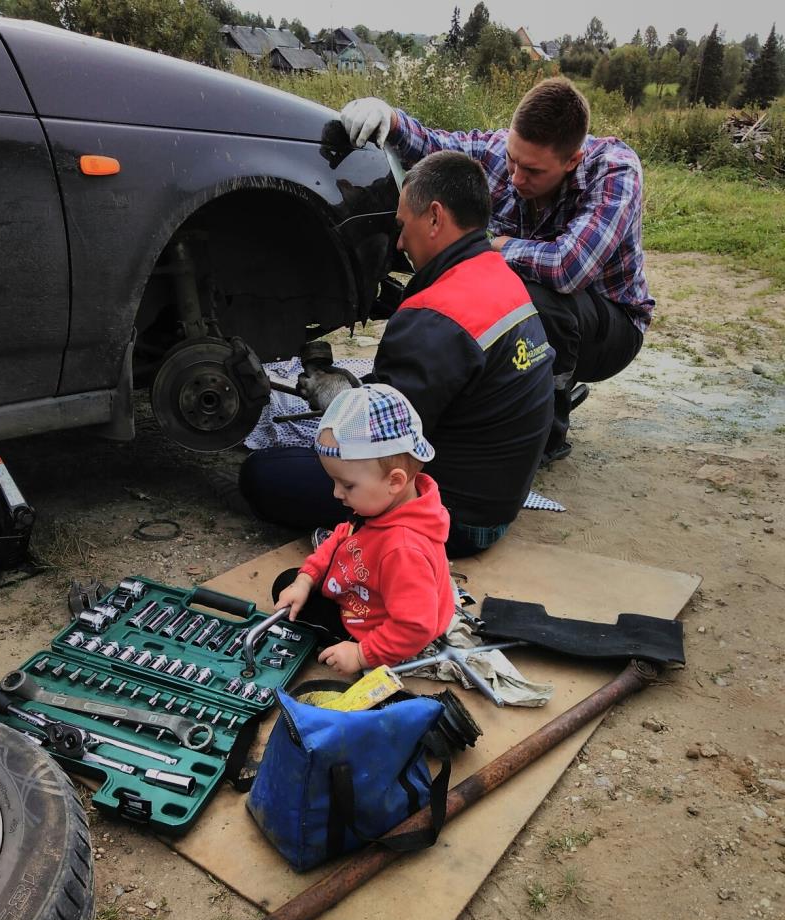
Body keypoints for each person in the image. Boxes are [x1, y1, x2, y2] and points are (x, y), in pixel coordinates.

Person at [240, 150, 554, 557]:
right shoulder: (500, 276)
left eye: (404, 226)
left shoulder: (436, 313)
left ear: (436, 217)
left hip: (456, 519)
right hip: (497, 496)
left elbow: (379, 437)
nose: (401, 242)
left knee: (263, 474)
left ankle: (378, 539)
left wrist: (338, 397)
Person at [341, 76, 655, 460]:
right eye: (512, 159)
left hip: (611, 328)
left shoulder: (615, 171)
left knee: (532, 298)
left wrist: (496, 249)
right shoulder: (506, 156)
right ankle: (511, 395)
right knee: (502, 296)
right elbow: (440, 150)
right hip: (553, 308)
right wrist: (390, 119)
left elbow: (567, 268)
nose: (516, 177)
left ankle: (545, 431)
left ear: (572, 160)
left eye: (534, 172)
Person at [272, 383, 455, 674]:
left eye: (347, 485)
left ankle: (360, 645)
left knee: (299, 610)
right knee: (289, 583)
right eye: (334, 481)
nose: (336, 493)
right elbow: (340, 539)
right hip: (368, 597)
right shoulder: (380, 507)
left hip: (384, 631)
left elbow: (415, 625)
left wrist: (362, 654)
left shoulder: (403, 549)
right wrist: (306, 580)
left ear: (395, 481)